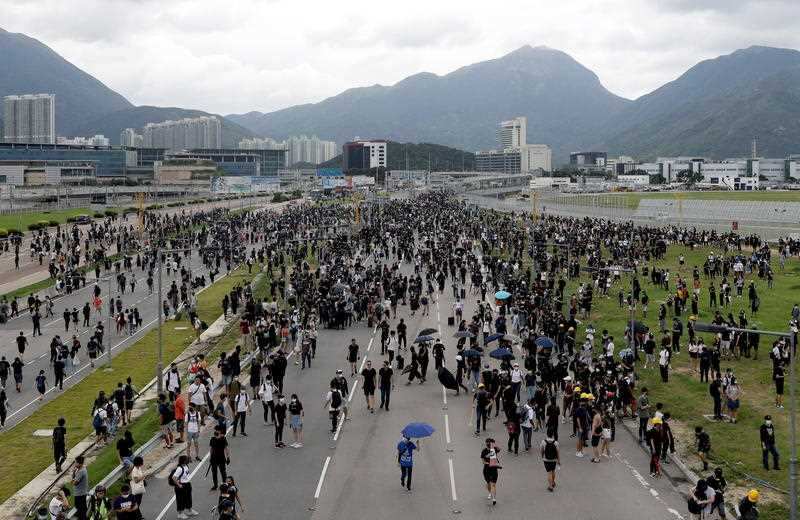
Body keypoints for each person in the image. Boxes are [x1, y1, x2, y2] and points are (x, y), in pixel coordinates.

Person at [480, 437, 501, 505]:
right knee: (489, 483)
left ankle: (494, 499)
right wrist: (488, 463)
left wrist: (494, 445)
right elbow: (483, 461)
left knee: (494, 484)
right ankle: (489, 492)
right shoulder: (484, 451)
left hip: (494, 469)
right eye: (487, 443)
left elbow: (499, 449)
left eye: (490, 443)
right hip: (487, 470)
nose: (488, 444)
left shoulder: (494, 449)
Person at [209, 426, 230, 490]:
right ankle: (215, 485)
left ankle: (224, 484)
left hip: (221, 458)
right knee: (214, 472)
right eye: (215, 430)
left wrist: (228, 457)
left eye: (216, 430)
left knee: (223, 472)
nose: (215, 431)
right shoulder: (212, 439)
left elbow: (226, 448)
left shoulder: (223, 439)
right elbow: (211, 449)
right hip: (214, 458)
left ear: (220, 431)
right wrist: (210, 457)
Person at [72, 455, 89, 520]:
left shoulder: (81, 471)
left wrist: (73, 480)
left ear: (79, 463)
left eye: (76, 462)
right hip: (81, 493)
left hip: (80, 494)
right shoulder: (81, 469)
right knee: (82, 509)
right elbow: (74, 479)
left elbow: (74, 483)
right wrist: (73, 472)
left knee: (81, 511)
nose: (75, 464)